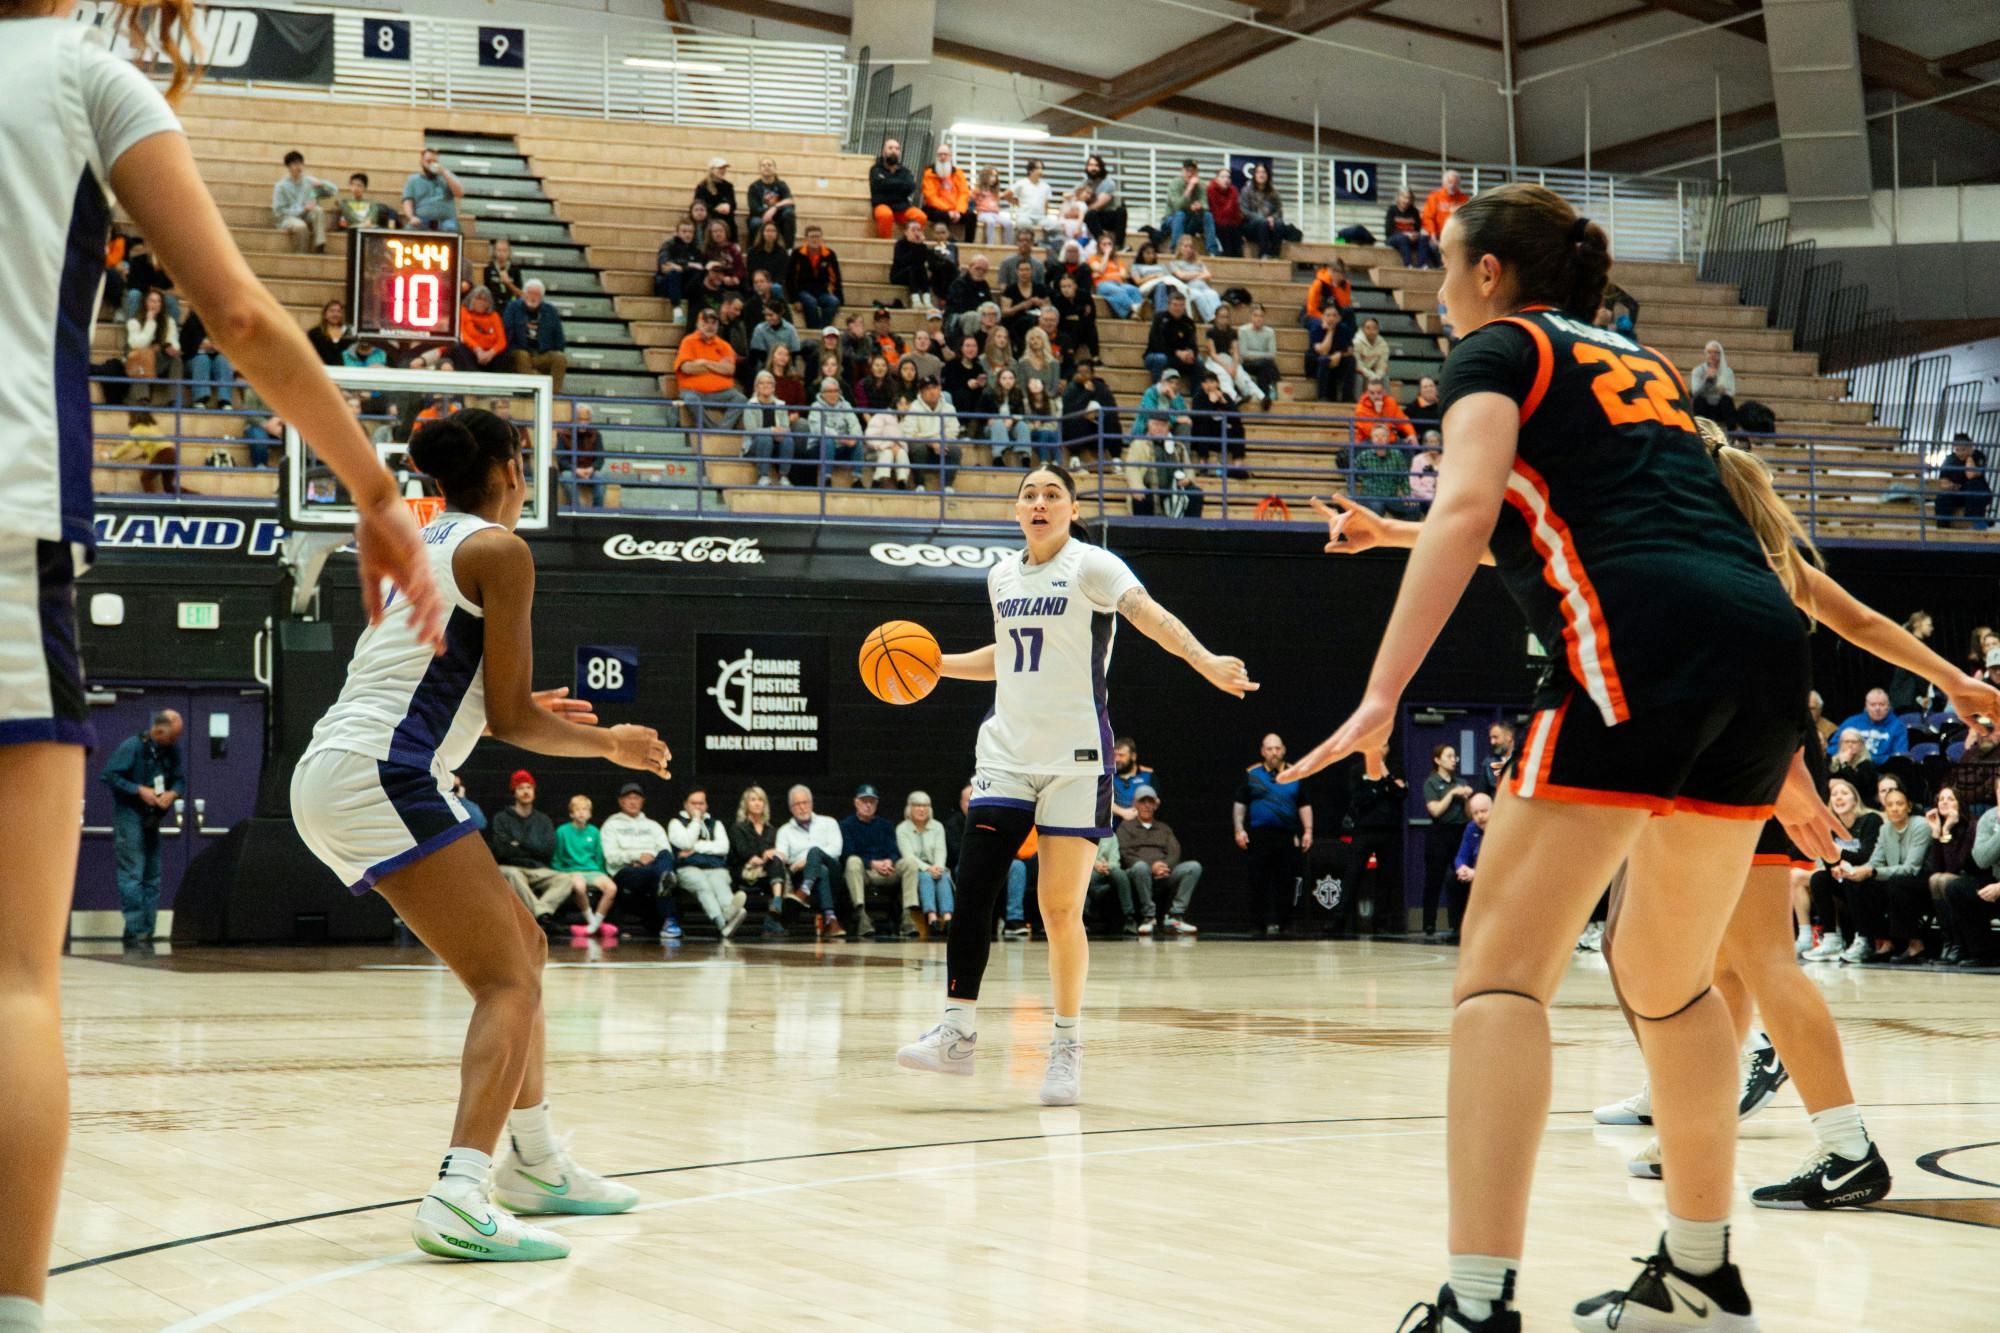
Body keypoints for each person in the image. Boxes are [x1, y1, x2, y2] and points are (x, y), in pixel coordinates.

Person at [1287, 183, 1839, 1332]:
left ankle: (1475, 1300)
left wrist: (1380, 693)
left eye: (1445, 259)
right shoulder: (1635, 362)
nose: (1438, 282)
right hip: (1757, 649)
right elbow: (1633, 527)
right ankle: (1699, 1275)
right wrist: (1778, 750)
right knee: (1666, 977)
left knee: (1498, 976)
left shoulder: (1496, 346)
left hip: (1634, 649)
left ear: (1490, 273)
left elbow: (1467, 504)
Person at [0, 18, 443, 1316]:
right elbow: (241, 311)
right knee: (19, 980)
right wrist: (373, 490)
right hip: (6, 530)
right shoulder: (82, 75)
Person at [292, 408, 667, 1262]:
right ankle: (462, 1190)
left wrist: (547, 720)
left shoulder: (421, 538)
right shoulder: (501, 551)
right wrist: (613, 743)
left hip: (343, 763)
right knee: (508, 978)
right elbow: (509, 714)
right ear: (511, 465)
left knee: (524, 949)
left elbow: (477, 703)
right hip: (382, 773)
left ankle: (533, 1162)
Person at [895, 464, 1254, 1106]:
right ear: (1016, 511)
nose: (1038, 502)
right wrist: (934, 665)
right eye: (1028, 494)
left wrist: (1203, 660)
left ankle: (1065, 1049)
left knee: (1057, 911)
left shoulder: (1094, 566)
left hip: (1077, 760)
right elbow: (1006, 656)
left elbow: (1150, 616)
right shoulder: (1000, 576)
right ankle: (957, 1032)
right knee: (973, 882)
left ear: (1071, 507)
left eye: (1051, 494)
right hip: (1005, 752)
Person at [98, 708, 184, 945]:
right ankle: (136, 929)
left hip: (152, 817)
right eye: (172, 736)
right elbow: (109, 775)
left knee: (152, 875)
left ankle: (147, 929)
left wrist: (173, 793)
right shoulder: (132, 747)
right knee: (133, 873)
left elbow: (179, 778)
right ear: (159, 730)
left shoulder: (171, 751)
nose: (175, 742)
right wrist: (138, 790)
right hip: (130, 813)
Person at [1233, 733, 1311, 937]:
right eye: (1270, 749)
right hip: (1259, 836)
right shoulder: (1252, 774)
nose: (1274, 753)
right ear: (1262, 751)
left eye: (1277, 748)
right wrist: (1239, 829)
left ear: (1283, 750)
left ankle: (1284, 925)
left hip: (1286, 836)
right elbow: (1240, 804)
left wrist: (1308, 831)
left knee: (1285, 882)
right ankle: (1257, 926)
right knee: (1258, 882)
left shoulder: (1295, 773)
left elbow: (1304, 804)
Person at [1116, 786, 1201, 935]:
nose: (1147, 805)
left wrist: (1164, 866)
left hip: (1164, 872)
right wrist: (1151, 866)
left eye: (1150, 802)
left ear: (1156, 805)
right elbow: (1125, 853)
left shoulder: (1164, 828)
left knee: (1193, 867)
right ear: (1135, 804)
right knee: (1140, 867)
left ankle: (1175, 916)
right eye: (1143, 801)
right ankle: (1149, 917)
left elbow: (1175, 851)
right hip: (1137, 872)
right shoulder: (1126, 827)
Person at [601, 782, 680, 940]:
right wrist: (637, 857)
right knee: (662, 876)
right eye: (628, 798)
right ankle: (670, 921)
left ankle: (663, 879)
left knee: (664, 856)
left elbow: (665, 850)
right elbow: (610, 856)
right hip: (626, 871)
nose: (633, 801)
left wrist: (649, 858)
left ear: (642, 801)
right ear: (621, 801)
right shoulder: (611, 825)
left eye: (636, 798)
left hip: (652, 867)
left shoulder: (654, 826)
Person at [668, 787, 747, 938]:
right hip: (688, 868)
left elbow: (723, 847)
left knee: (719, 882)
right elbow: (685, 843)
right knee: (702, 885)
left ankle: (729, 912)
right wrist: (696, 821)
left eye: (701, 803)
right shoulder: (676, 823)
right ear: (685, 805)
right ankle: (722, 921)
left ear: (706, 805)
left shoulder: (715, 824)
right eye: (694, 803)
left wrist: (696, 847)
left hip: (714, 867)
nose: (698, 807)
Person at [1421, 744, 1476, 939]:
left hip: (1460, 831)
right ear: (1438, 760)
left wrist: (1468, 798)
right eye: (1449, 756)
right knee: (1434, 878)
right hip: (1440, 833)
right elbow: (1435, 810)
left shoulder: (1460, 781)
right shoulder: (1432, 783)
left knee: (1459, 877)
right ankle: (1429, 923)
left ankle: (1458, 924)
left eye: (1455, 756)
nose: (1454, 760)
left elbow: (1470, 814)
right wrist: (1452, 794)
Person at [777, 784, 845, 936]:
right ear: (791, 808)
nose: (802, 807)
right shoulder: (784, 831)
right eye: (797, 804)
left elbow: (836, 849)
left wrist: (810, 859)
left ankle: (803, 892)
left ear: (812, 803)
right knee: (821, 871)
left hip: (834, 873)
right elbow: (782, 855)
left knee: (815, 852)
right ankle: (831, 920)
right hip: (802, 874)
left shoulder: (829, 822)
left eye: (805, 802)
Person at [728, 785, 793, 937]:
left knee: (777, 862)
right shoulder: (739, 828)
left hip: (768, 872)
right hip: (746, 870)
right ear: (746, 804)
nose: (757, 803)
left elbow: (776, 852)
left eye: (760, 800)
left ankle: (775, 907)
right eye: (753, 800)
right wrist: (765, 854)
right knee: (775, 866)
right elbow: (746, 854)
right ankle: (775, 912)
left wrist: (772, 855)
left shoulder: (771, 830)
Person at [551, 794, 619, 938]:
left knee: (612, 888)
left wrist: (603, 874)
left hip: (593, 871)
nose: (582, 812)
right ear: (571, 813)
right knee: (580, 886)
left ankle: (592, 927)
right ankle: (594, 924)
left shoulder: (594, 831)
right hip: (571, 871)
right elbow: (557, 859)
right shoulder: (562, 831)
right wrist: (563, 873)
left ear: (590, 813)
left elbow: (599, 858)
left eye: (585, 809)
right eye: (578, 809)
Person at [897, 791, 954, 934]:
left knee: (944, 876)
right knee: (926, 877)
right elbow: (908, 856)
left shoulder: (938, 826)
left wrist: (938, 868)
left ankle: (948, 918)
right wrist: (928, 868)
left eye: (925, 806)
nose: (922, 809)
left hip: (935, 866)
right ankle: (932, 917)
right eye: (917, 805)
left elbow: (941, 851)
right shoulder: (902, 828)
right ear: (910, 808)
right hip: (915, 868)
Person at [501, 280, 567, 391]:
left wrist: (556, 350)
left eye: (537, 294)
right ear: (524, 294)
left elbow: (559, 338)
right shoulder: (513, 308)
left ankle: (553, 393)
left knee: (560, 358)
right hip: (520, 351)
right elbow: (506, 332)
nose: (533, 297)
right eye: (530, 293)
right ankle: (541, 386)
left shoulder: (550, 311)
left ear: (541, 297)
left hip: (542, 353)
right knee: (522, 355)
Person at [271, 150, 334, 253]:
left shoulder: (309, 181)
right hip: (288, 218)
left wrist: (323, 184)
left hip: (306, 215)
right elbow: (278, 211)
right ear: (289, 167)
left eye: (300, 163)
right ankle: (302, 254)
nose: (299, 167)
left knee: (318, 210)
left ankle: (320, 244)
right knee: (301, 226)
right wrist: (302, 209)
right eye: (295, 164)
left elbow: (332, 192)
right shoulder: (280, 186)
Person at [787, 224, 844, 330]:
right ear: (806, 238)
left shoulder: (829, 254)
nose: (815, 239)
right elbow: (790, 278)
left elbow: (836, 278)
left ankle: (824, 329)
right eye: (812, 236)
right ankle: (814, 331)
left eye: (817, 236)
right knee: (810, 302)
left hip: (823, 292)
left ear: (821, 238)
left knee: (833, 301)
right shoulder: (797, 254)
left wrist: (840, 299)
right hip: (803, 291)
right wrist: (794, 299)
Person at [1825, 688, 1908, 760]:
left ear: (1888, 706)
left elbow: (1899, 756)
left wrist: (1869, 759)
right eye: (1873, 704)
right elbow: (1832, 748)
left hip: (1882, 771)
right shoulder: (1851, 722)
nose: (1877, 708)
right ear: (1866, 706)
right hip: (1852, 767)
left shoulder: (1898, 726)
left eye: (1882, 704)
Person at [400, 146, 464, 232]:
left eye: (435, 161)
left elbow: (460, 193)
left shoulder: (447, 177)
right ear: (422, 162)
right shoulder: (413, 180)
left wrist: (445, 173)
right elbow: (407, 202)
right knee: (410, 229)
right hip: (422, 220)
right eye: (428, 161)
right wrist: (411, 217)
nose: (432, 164)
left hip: (446, 220)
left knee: (451, 229)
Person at [1937, 433, 1992, 532]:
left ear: (1970, 447)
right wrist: (1951, 486)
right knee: (1942, 497)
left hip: (1974, 493)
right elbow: (1943, 481)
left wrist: (1970, 457)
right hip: (1957, 493)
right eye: (1957, 450)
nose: (1960, 453)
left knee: (1974, 485)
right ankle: (1943, 528)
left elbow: (1970, 474)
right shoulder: (1949, 459)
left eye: (1963, 449)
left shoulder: (1978, 455)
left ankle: (1976, 523)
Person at [921, 143, 973, 241]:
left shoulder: (958, 173)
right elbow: (930, 196)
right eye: (940, 154)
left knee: (972, 216)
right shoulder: (928, 173)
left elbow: (964, 193)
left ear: (950, 156)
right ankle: (944, 242)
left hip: (956, 209)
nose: (943, 157)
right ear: (936, 156)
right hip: (937, 208)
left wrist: (958, 210)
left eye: (945, 154)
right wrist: (948, 211)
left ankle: (968, 245)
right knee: (939, 215)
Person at [1238, 161, 1286, 259]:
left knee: (1280, 224)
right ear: (1254, 175)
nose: (1261, 175)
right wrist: (1263, 218)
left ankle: (1275, 255)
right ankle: (1263, 254)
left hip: (1269, 224)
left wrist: (1273, 218)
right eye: (1258, 172)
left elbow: (1279, 210)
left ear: (1267, 175)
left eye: (1263, 172)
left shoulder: (1273, 192)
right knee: (1262, 222)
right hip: (1250, 226)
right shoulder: (1246, 190)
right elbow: (1243, 211)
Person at [746, 155, 795, 247]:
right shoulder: (754, 187)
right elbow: (754, 208)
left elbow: (789, 201)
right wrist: (767, 213)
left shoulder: (781, 185)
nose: (766, 167)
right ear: (759, 170)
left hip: (778, 216)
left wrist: (774, 208)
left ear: (775, 169)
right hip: (761, 216)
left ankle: (788, 249)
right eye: (763, 165)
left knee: (789, 213)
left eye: (769, 165)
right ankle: (754, 251)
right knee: (755, 222)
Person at [1385, 185, 1439, 268]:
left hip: (1410, 238)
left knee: (1423, 238)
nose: (1406, 201)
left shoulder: (1414, 212)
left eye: (1409, 198)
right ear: (1399, 197)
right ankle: (1408, 264)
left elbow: (1417, 229)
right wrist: (1405, 234)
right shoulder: (1392, 210)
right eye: (1404, 198)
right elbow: (1388, 232)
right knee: (1402, 238)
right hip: (1394, 239)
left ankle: (1422, 264)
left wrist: (1415, 235)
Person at [692, 156, 736, 241]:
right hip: (709, 217)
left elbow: (734, 205)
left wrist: (728, 205)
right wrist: (715, 209)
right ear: (712, 170)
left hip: (726, 218)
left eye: (724, 168)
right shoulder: (702, 187)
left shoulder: (728, 186)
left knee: (729, 222)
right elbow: (698, 204)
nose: (722, 170)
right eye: (719, 168)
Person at [1420, 167, 1469, 243]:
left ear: (1459, 184)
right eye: (1450, 182)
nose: (1452, 185)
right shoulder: (1434, 197)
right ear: (1444, 183)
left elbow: (1468, 219)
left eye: (1455, 183)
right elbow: (1428, 218)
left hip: (1457, 237)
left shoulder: (1464, 199)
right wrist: (1433, 235)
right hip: (1438, 235)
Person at [1206, 164, 1244, 257]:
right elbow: (1216, 212)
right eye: (1223, 177)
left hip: (1231, 222)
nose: (1226, 180)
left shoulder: (1233, 190)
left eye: (1228, 177)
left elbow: (1235, 212)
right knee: (1225, 230)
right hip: (1217, 222)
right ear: (1216, 179)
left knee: (1237, 231)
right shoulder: (1211, 189)